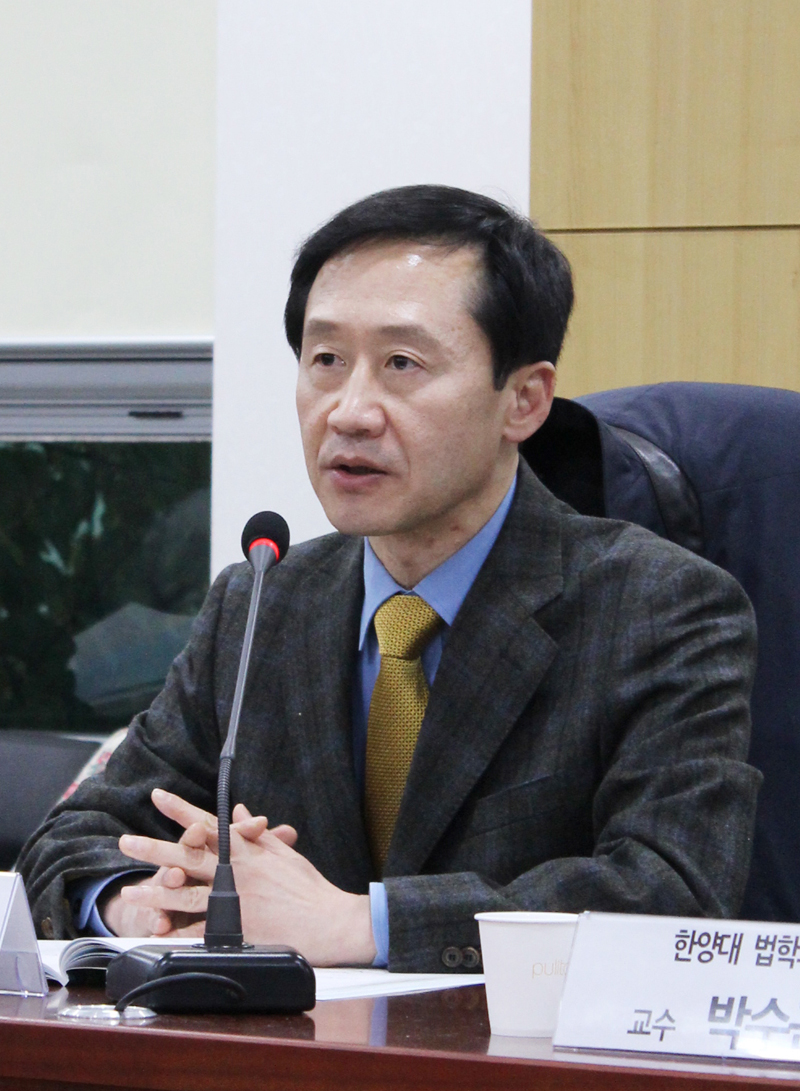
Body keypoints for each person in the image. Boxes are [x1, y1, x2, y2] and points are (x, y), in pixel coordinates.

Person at [18, 185, 761, 972]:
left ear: (524, 400)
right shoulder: (261, 601)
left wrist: (364, 923)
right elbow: (69, 840)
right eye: (326, 361)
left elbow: (672, 891)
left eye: (402, 364)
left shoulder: (661, 607)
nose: (349, 411)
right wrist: (139, 899)